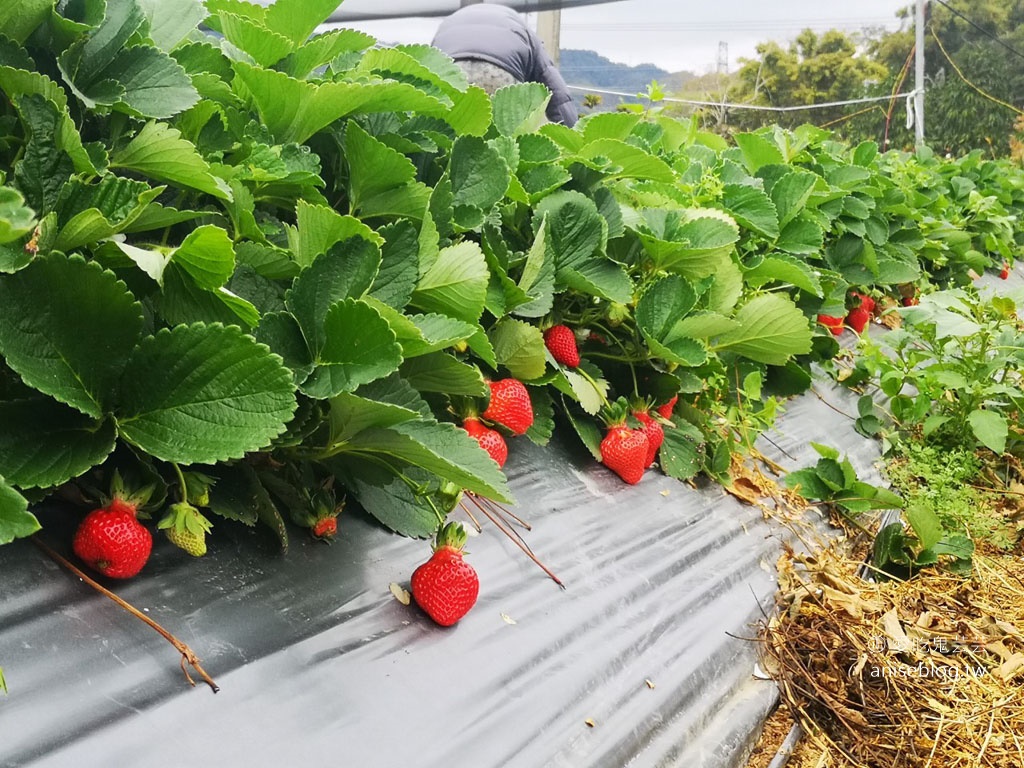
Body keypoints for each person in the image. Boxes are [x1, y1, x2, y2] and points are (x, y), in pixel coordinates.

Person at [432, 3, 578, 127]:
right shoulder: (526, 32)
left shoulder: (450, 22)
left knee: (450, 132)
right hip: (500, 72)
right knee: (502, 137)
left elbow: (427, 68)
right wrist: (573, 138)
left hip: (451, 69)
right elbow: (556, 91)